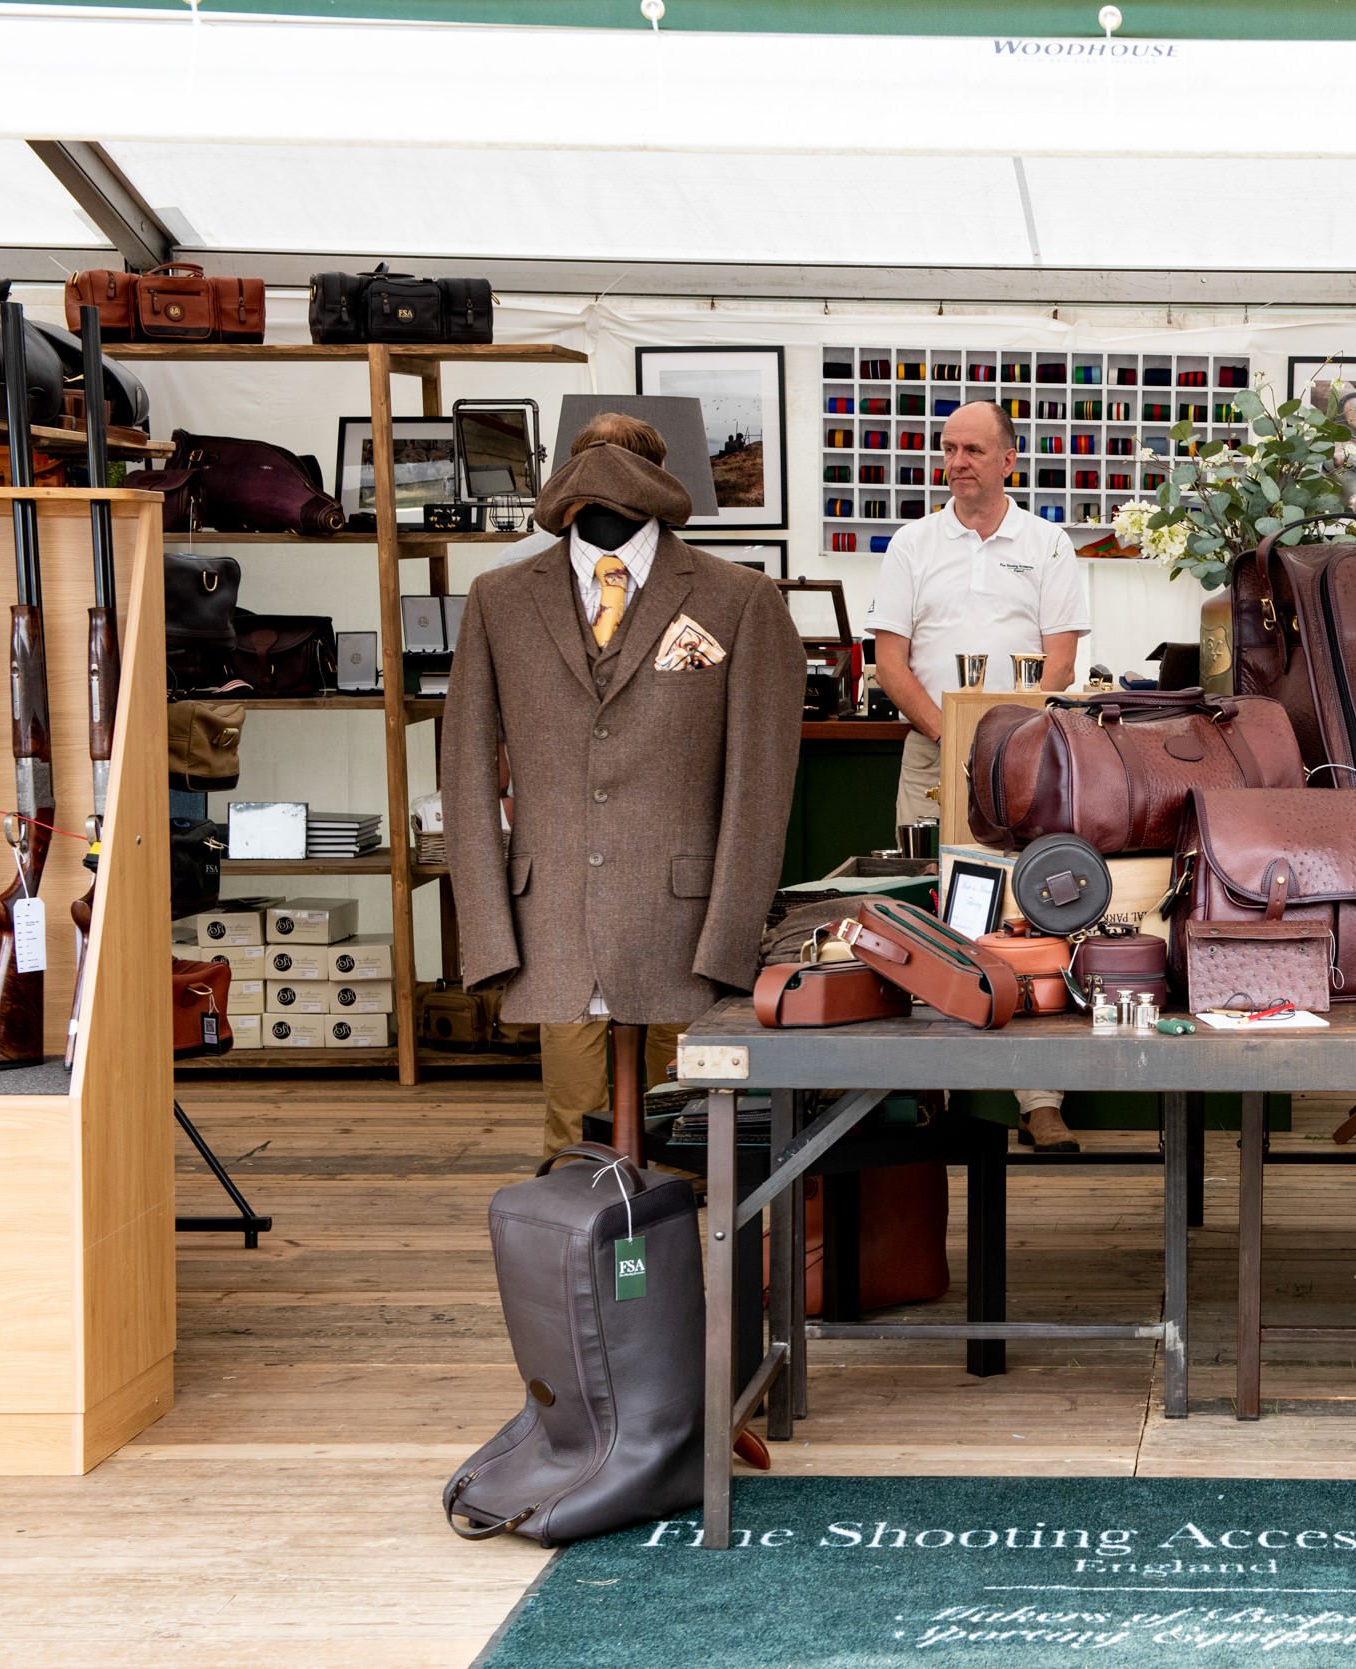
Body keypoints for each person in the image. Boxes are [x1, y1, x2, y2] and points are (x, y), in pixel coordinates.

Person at [443, 410, 805, 1161]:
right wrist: (488, 932)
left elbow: (759, 788)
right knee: (572, 1144)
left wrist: (731, 935)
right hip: (553, 920)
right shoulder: (500, 600)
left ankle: (688, 1275)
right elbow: (467, 773)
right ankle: (582, 1273)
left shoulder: (736, 599)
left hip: (685, 922)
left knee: (697, 1135)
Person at [865, 400, 1090, 1151]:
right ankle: (943, 1094)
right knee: (935, 913)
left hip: (1029, 756)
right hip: (933, 752)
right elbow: (888, 662)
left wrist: (1008, 743)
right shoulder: (911, 543)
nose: (956, 461)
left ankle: (1040, 1097)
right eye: (948, 449)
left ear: (1007, 460)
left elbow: (1060, 659)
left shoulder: (1050, 544)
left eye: (972, 449)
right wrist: (954, 735)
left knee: (1032, 912)